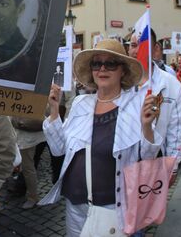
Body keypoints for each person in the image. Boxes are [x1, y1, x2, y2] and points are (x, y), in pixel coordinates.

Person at [39, 39, 162, 236]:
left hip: (113, 208)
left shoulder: (136, 106)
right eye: (97, 63)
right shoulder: (80, 103)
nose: (102, 68)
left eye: (110, 63)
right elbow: (59, 149)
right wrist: (54, 111)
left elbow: (148, 158)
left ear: (123, 70)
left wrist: (147, 126)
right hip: (75, 205)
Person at [129, 29, 181, 180]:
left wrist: (173, 165)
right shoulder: (120, 82)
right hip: (123, 164)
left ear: (155, 49)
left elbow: (177, 129)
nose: (136, 51)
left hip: (155, 163)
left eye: (142, 45)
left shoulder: (171, 85)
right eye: (133, 45)